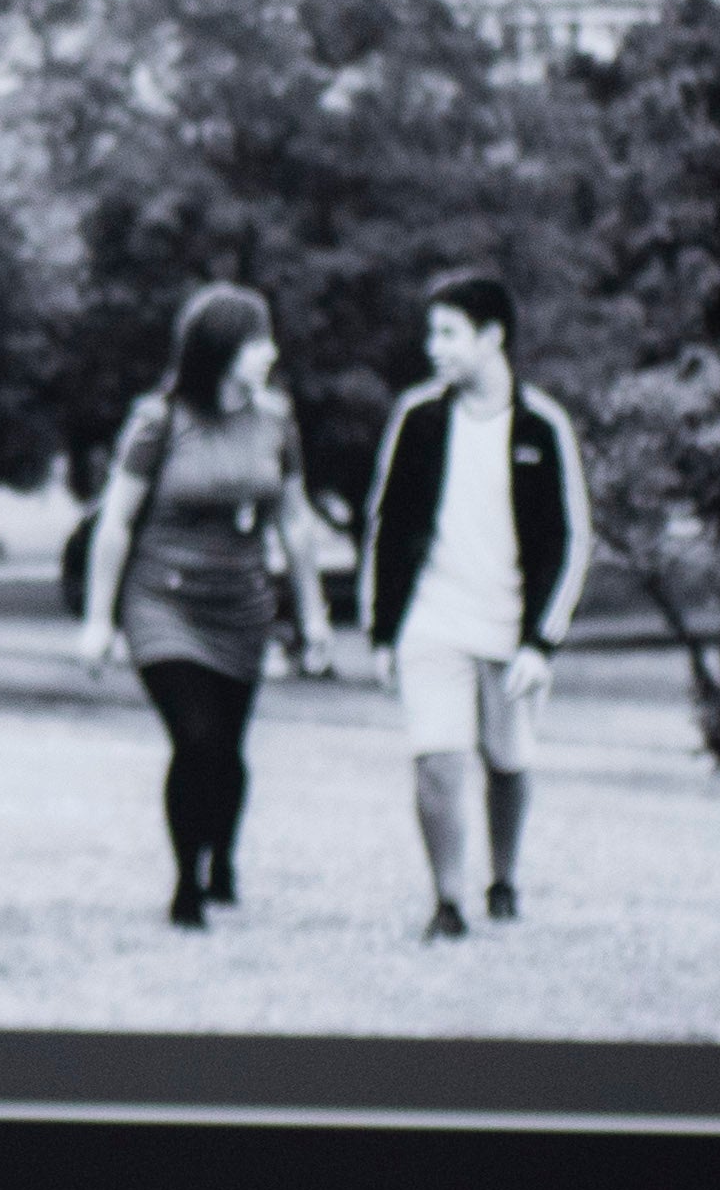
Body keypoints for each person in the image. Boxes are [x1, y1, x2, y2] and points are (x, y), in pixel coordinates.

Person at [76, 284, 334, 928]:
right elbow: (115, 523)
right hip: (162, 604)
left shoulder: (276, 420)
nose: (270, 354)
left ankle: (222, 859)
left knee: (228, 746)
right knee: (196, 740)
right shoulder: (159, 420)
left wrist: (314, 614)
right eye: (257, 343)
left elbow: (295, 523)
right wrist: (98, 619)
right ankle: (186, 884)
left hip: (243, 606)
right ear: (220, 350)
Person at [361, 270, 594, 938]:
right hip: (432, 619)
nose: (433, 347)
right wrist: (382, 632)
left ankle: (504, 880)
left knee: (508, 761)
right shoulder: (418, 419)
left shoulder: (543, 425)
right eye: (430, 333)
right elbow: (386, 524)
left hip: (510, 626)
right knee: (436, 759)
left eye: (448, 334)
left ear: (492, 337)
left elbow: (570, 539)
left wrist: (539, 644)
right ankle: (446, 902)